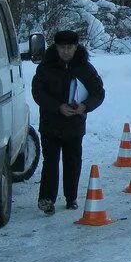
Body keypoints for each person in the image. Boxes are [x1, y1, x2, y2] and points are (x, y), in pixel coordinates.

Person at [31, 30, 105, 215]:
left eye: (70, 47)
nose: (66, 51)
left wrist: (85, 106)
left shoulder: (85, 68)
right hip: (50, 124)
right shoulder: (45, 68)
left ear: (76, 47)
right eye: (62, 47)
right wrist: (57, 107)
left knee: (72, 162)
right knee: (50, 162)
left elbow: (99, 92)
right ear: (55, 47)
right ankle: (46, 199)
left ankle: (71, 197)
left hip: (75, 124)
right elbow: (38, 93)